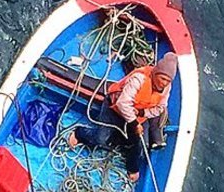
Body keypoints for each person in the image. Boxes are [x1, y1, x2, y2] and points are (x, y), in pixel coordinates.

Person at [68, 51, 178, 183]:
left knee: (141, 147)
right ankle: (79, 133)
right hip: (115, 108)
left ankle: (132, 167)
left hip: (138, 114)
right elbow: (122, 103)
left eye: (168, 80)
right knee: (100, 139)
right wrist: (133, 123)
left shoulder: (166, 88)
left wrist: (143, 114)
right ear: (155, 73)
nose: (164, 83)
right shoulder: (139, 79)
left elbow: (159, 108)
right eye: (162, 78)